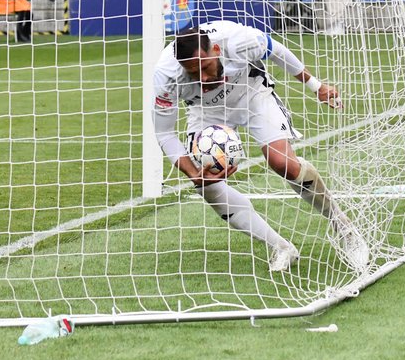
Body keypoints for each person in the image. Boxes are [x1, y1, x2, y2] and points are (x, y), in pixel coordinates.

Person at [153, 22, 368, 272]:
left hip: (252, 93)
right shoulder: (166, 75)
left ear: (216, 49)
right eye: (192, 73)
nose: (202, 78)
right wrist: (192, 173)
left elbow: (276, 51)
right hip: (205, 111)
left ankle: (345, 229)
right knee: (207, 185)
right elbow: (164, 131)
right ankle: (281, 246)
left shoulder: (240, 40)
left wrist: (316, 87)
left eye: (204, 67)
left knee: (282, 163)